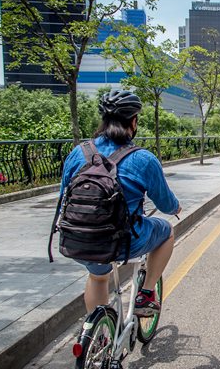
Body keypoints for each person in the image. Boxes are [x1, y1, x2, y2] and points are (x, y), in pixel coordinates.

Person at [59, 90, 182, 317]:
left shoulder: (78, 153)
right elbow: (165, 204)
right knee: (166, 232)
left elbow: (62, 201)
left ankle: (98, 337)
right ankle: (146, 294)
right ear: (133, 121)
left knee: (97, 277)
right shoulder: (143, 158)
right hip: (124, 242)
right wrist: (176, 208)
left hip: (78, 241)